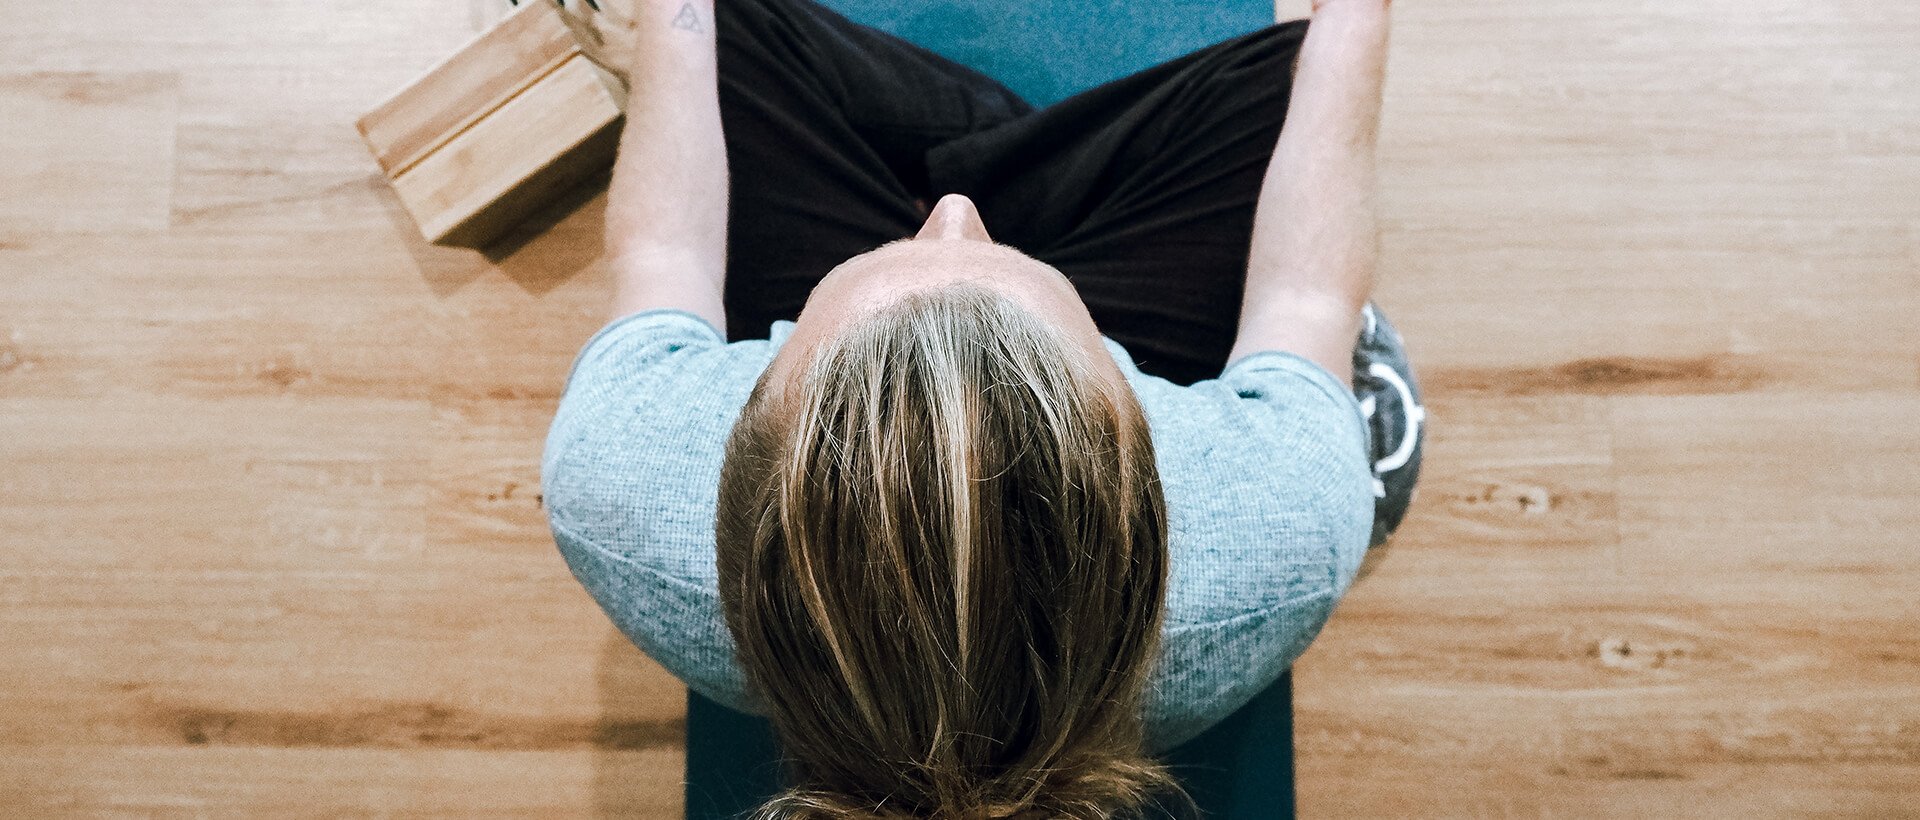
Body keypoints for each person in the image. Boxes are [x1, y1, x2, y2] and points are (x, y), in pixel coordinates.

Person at [541, 0, 1420, 816]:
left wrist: (669, 22)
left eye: (925, 239)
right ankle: (1021, 161)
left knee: (710, 30)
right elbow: (1306, 299)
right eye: (1001, 259)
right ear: (1139, 417)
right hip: (1155, 295)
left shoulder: (626, 472)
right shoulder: (1271, 533)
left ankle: (980, 149)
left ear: (747, 403)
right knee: (1299, 83)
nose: (958, 217)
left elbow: (665, 251)